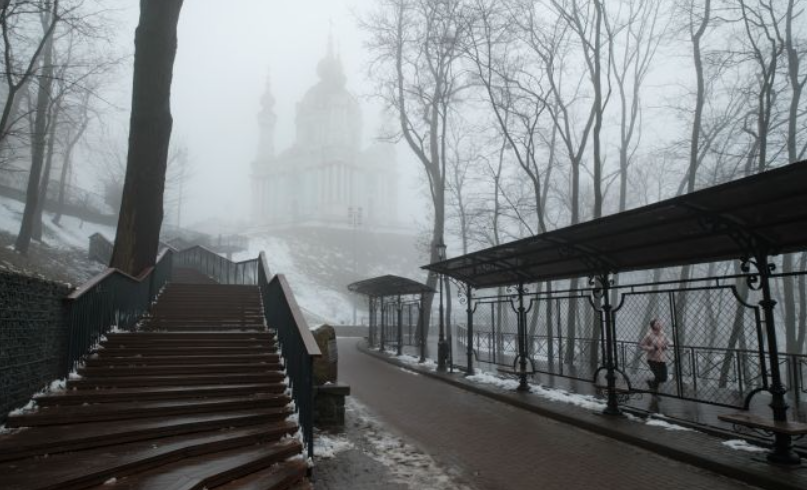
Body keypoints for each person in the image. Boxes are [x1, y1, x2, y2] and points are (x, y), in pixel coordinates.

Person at [640, 318, 670, 391]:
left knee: (664, 378)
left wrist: (665, 347)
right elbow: (642, 345)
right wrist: (652, 348)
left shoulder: (663, 334)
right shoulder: (649, 335)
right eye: (657, 323)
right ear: (653, 326)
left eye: (660, 323)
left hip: (661, 359)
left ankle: (651, 383)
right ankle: (654, 390)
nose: (660, 324)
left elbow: (669, 343)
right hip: (652, 359)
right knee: (658, 376)